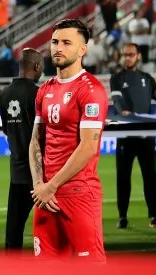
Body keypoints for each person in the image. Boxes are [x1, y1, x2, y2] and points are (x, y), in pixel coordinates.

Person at [29, 19, 109, 261]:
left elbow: (88, 147)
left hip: (79, 194)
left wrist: (51, 186)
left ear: (82, 49)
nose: (58, 48)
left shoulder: (91, 90)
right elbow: (36, 142)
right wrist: (39, 186)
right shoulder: (45, 89)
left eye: (66, 42)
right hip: (45, 197)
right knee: (46, 273)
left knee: (91, 270)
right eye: (55, 42)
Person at [109, 42, 156, 230]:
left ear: (139, 56)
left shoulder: (147, 78)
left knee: (150, 177)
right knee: (123, 177)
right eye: (125, 55)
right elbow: (117, 100)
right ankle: (122, 217)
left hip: (146, 135)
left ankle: (154, 217)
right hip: (126, 134)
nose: (128, 58)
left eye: (131, 54)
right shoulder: (117, 78)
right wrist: (122, 111)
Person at [0, 48, 43, 251]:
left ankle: (11, 268)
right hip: (41, 172)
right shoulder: (39, 93)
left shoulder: (5, 93)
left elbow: (6, 130)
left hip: (17, 170)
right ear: (36, 66)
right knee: (52, 226)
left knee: (13, 232)